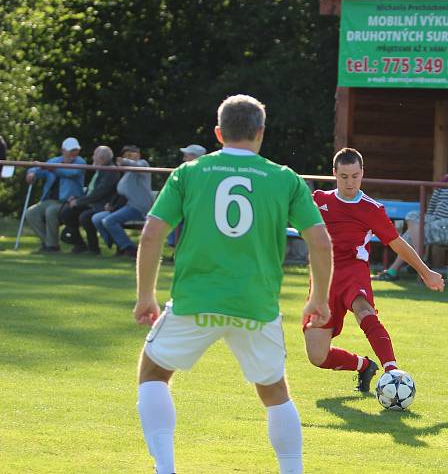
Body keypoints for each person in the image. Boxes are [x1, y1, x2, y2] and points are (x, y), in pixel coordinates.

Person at [133, 94, 332, 474]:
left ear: (219, 133)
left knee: (154, 373)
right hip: (255, 305)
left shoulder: (190, 172)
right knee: (275, 393)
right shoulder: (284, 178)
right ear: (261, 132)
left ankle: (166, 469)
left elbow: (151, 235)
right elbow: (320, 241)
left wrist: (146, 295)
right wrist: (317, 299)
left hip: (195, 300)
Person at [304, 148, 445, 392]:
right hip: (322, 278)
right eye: (344, 176)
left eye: (355, 176)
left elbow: (398, 244)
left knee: (363, 308)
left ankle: (393, 372)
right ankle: (364, 366)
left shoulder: (372, 209)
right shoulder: (319, 200)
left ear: (362, 174)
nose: (350, 182)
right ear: (334, 174)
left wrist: (426, 272)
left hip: (353, 270)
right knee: (317, 356)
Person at [373, 149, 448, 281]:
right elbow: (432, 207)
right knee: (412, 216)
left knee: (410, 235)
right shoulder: (444, 181)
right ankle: (421, 259)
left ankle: (393, 271)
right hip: (436, 220)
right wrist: (427, 220)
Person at [25, 137, 86, 252]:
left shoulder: (80, 162)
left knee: (51, 211)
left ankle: (52, 246)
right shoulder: (54, 161)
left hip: (68, 201)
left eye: (76, 150)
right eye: (71, 150)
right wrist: (32, 173)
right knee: (30, 213)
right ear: (63, 150)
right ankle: (48, 243)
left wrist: (52, 169)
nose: (74, 153)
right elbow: (38, 168)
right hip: (49, 200)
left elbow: (70, 173)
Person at [93, 145, 153, 258]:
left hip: (139, 208)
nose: (129, 158)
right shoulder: (127, 172)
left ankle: (129, 248)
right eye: (126, 156)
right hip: (128, 206)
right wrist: (112, 204)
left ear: (138, 155)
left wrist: (124, 161)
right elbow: (122, 193)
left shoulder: (143, 165)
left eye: (132, 155)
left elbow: (136, 165)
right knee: (97, 218)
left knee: (108, 221)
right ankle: (119, 244)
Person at [59, 145, 120, 254]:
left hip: (103, 205)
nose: (93, 157)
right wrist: (77, 199)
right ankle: (79, 244)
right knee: (66, 213)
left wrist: (78, 202)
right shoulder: (100, 169)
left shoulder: (111, 171)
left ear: (101, 159)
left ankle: (94, 248)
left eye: (95, 155)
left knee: (85, 217)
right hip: (92, 203)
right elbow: (91, 191)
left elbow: (99, 193)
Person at [165, 144, 207, 249]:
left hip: (197, 210)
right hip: (190, 208)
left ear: (195, 157)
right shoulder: (193, 171)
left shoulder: (198, 173)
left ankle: (176, 244)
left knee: (181, 221)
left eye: (186, 156)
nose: (183, 159)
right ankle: (175, 244)